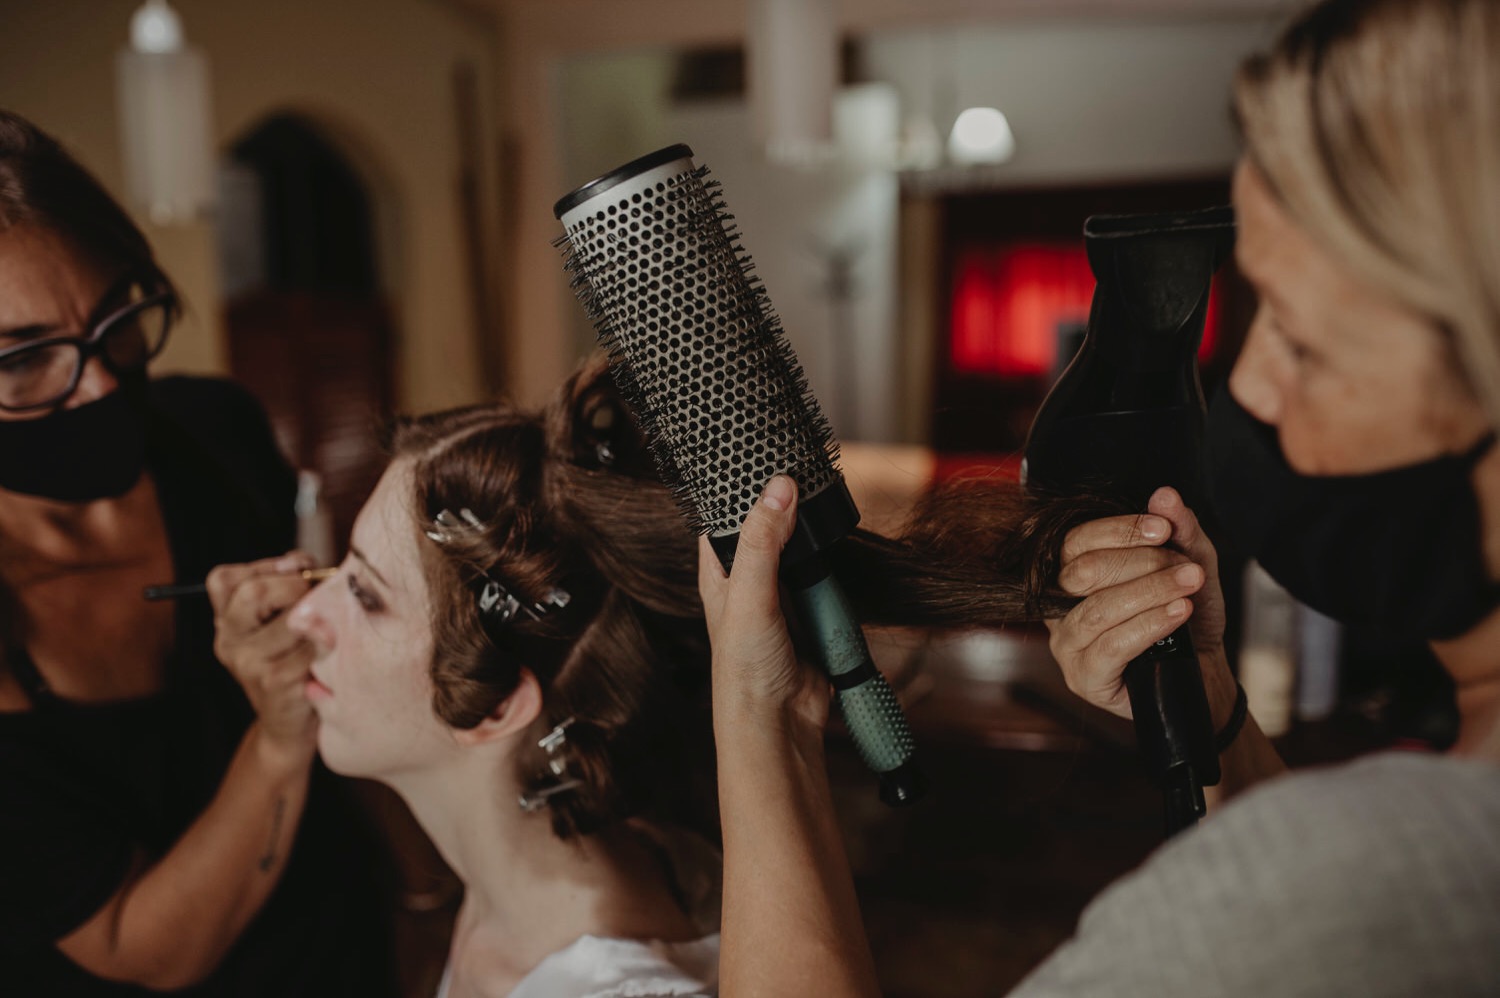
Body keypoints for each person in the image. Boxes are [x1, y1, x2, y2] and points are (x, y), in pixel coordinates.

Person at [700, 0, 1500, 995]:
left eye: (1301, 341)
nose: (1247, 392)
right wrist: (1215, 711)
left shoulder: (1366, 884)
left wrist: (764, 723)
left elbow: (1319, 900)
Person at [0, 109, 394, 995]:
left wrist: (422, 882)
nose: (102, 384)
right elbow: (143, 948)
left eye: (118, 319)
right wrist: (278, 737)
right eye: (23, 361)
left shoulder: (213, 433)